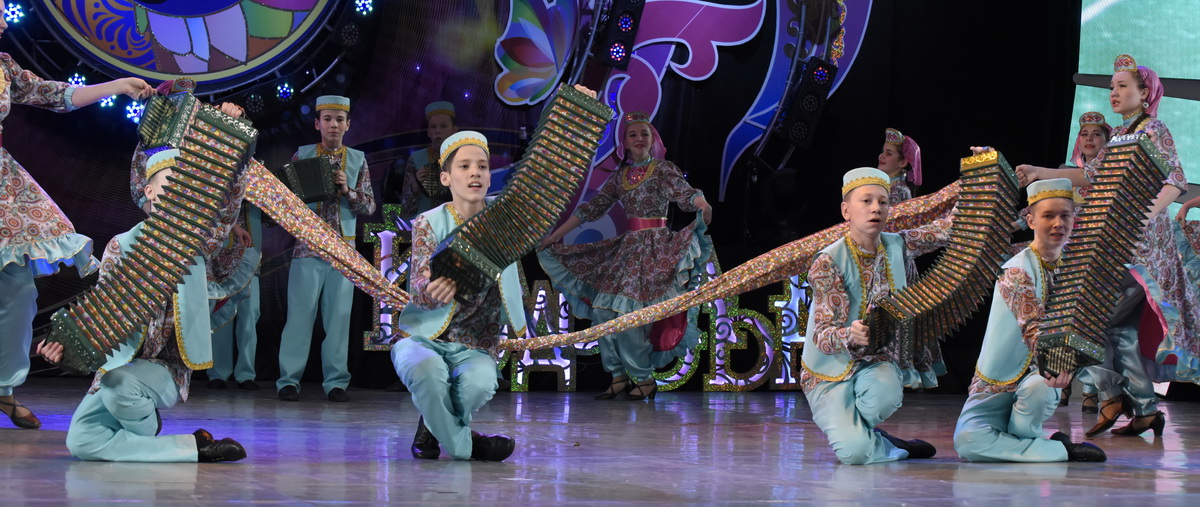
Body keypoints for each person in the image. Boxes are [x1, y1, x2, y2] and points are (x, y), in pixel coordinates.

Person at [36, 149, 248, 462]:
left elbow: (229, 208)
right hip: (120, 364)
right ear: (149, 191)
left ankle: (144, 428)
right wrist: (65, 347)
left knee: (118, 386)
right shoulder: (120, 246)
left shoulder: (200, 241)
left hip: (166, 368)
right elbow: (102, 313)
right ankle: (194, 447)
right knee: (81, 441)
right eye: (171, 184)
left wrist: (236, 153)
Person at [1024, 55, 1199, 437]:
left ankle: (1110, 396)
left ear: (1145, 92)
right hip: (1117, 246)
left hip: (1141, 250)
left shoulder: (1153, 129)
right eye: (1111, 87)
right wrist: (1041, 172)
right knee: (1119, 330)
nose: (1114, 93)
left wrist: (1144, 215)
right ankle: (1145, 409)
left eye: (1122, 86)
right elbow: (1090, 174)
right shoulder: (1119, 134)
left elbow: (1175, 180)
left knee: (1095, 318)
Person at [0, 8, 155, 429]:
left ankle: (4, 388)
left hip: (4, 186)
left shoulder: (4, 66)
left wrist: (117, 85)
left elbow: (54, 95)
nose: (3, 22)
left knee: (18, 288)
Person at [537, 111, 714, 401]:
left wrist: (702, 203)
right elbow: (591, 208)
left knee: (630, 316)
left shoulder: (662, 169)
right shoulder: (620, 177)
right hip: (627, 251)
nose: (639, 138)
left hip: (655, 249)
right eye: (633, 134)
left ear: (652, 139)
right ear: (625, 143)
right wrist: (555, 236)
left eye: (644, 133)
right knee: (603, 313)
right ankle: (617, 376)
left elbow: (684, 193)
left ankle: (643, 379)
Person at [800, 167, 953, 465]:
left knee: (884, 392)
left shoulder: (898, 245)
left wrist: (984, 177)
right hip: (828, 373)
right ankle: (889, 445)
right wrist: (850, 334)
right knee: (854, 454)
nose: (876, 208)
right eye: (867, 201)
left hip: (875, 363)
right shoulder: (828, 261)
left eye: (883, 202)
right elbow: (821, 335)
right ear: (846, 211)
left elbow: (949, 228)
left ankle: (861, 433)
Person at [390, 130, 523, 461]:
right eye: (464, 166)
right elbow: (418, 287)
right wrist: (431, 293)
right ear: (446, 177)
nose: (475, 172)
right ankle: (468, 446)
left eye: (482, 166)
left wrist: (575, 117)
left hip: (475, 345)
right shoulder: (428, 222)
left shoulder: (505, 221)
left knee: (481, 384)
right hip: (426, 337)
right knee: (426, 373)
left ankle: (432, 427)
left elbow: (546, 185)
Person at [953, 178, 1106, 462]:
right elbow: (1032, 326)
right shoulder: (1016, 270)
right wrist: (1058, 361)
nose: (1058, 224)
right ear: (1031, 221)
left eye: (1065, 216)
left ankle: (1024, 444)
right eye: (1048, 216)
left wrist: (1068, 363)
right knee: (967, 442)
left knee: (1039, 389)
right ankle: (1059, 449)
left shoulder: (1078, 269)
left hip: (1039, 380)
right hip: (997, 383)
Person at [277, 95, 376, 402]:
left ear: (348, 125)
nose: (334, 125)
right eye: (328, 119)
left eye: (339, 119)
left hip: (343, 252)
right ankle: (288, 380)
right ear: (317, 124)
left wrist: (348, 190)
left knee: (339, 319)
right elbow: (286, 202)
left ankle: (336, 382)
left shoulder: (357, 159)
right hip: (308, 249)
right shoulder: (302, 155)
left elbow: (369, 206)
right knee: (299, 317)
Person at [207, 204, 263, 391]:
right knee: (221, 311)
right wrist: (233, 226)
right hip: (224, 251)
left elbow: (271, 216)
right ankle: (218, 373)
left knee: (250, 313)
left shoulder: (262, 185)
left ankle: (246, 373)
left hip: (251, 251)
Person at [396, 101, 458, 219]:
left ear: (454, 130)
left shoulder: (465, 157)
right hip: (426, 226)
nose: (438, 131)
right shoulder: (416, 159)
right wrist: (415, 186)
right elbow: (406, 210)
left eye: (443, 126)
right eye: (433, 127)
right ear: (429, 132)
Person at [878, 128, 922, 204]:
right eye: (883, 151)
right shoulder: (886, 186)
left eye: (889, 154)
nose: (881, 156)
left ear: (903, 162)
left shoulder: (900, 191)